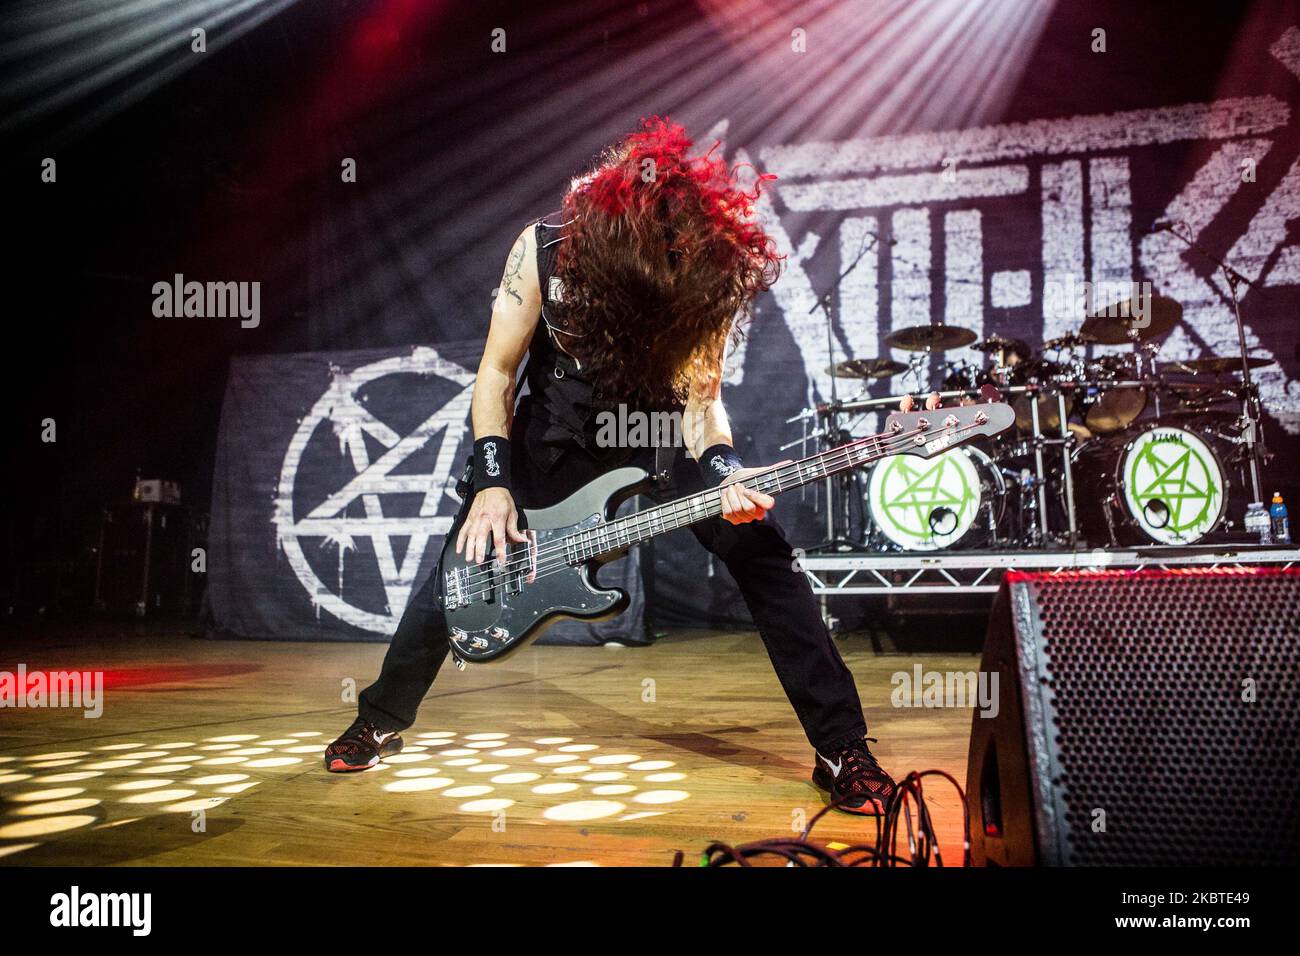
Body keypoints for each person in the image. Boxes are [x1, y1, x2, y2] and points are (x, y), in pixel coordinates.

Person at [324, 117, 900, 814]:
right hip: (555, 437)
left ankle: (841, 748)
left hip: (656, 431)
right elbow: (497, 374)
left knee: (763, 555)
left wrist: (723, 471)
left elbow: (701, 402)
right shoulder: (541, 251)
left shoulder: (705, 269)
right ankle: (381, 718)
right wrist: (493, 483)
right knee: (464, 568)